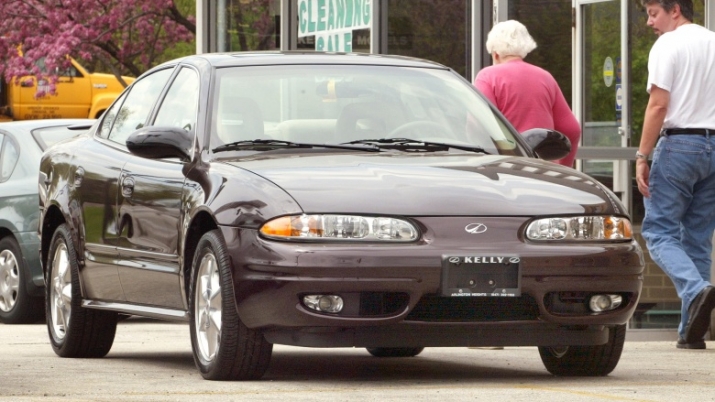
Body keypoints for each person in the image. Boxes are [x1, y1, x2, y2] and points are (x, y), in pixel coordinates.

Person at [636, 0, 715, 350]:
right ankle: (690, 331)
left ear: (676, 9)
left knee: (658, 232)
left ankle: (696, 289)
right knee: (697, 237)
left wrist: (641, 155)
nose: (651, 22)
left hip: (679, 144)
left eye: (654, 13)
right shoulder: (713, 42)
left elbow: (658, 105)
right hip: (713, 147)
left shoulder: (668, 44)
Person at [474, 20, 581, 167]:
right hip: (543, 170)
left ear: (495, 54)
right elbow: (572, 129)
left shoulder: (488, 76)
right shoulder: (545, 77)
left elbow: (477, 126)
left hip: (506, 169)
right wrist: (563, 167)